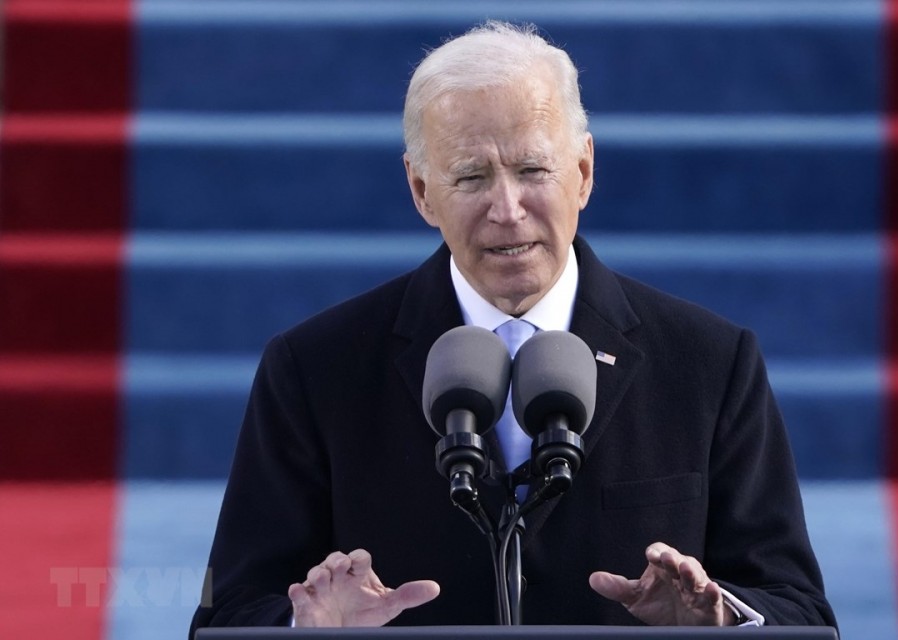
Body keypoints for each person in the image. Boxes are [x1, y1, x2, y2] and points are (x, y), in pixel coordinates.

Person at [190, 20, 836, 635]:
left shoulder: (709, 362)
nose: (507, 209)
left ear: (582, 172)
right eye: (471, 176)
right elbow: (227, 614)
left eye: (533, 171)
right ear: (421, 191)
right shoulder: (315, 368)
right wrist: (310, 628)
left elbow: (799, 610)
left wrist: (717, 618)